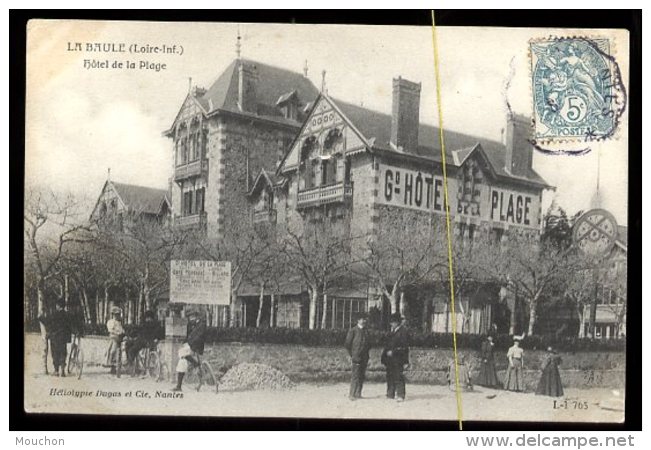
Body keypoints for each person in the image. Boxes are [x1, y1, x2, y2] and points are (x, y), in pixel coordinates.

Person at [173, 310, 207, 392]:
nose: (191, 318)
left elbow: (199, 337)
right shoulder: (192, 324)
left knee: (181, 353)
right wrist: (184, 342)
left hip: (197, 346)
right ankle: (179, 386)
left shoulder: (202, 325)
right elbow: (188, 336)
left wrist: (189, 343)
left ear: (197, 316)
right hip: (191, 345)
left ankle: (195, 364)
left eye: (192, 317)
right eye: (190, 317)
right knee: (182, 359)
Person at [38, 299, 72, 377]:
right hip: (64, 337)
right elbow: (70, 325)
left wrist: (40, 317)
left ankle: (56, 371)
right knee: (63, 352)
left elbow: (48, 322)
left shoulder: (55, 315)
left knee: (55, 353)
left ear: (58, 306)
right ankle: (63, 370)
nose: (56, 306)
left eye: (57, 305)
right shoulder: (67, 315)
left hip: (55, 337)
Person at [381, 313, 410, 402]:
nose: (391, 324)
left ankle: (400, 394)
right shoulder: (392, 332)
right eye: (391, 322)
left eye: (393, 322)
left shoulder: (403, 332)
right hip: (390, 359)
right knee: (390, 375)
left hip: (398, 359)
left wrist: (393, 352)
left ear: (398, 322)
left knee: (398, 376)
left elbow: (405, 347)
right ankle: (390, 393)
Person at [344, 315, 370, 400]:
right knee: (355, 375)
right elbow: (347, 344)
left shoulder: (366, 331)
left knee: (362, 375)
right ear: (358, 320)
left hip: (364, 356)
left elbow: (369, 344)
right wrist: (351, 355)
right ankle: (352, 394)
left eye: (364, 319)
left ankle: (358, 393)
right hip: (356, 356)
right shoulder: (353, 331)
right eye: (362, 319)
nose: (364, 321)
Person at [105, 306, 125, 374]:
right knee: (113, 349)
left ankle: (122, 363)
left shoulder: (119, 323)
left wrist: (123, 332)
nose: (117, 316)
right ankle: (111, 364)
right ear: (113, 315)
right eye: (116, 314)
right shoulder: (110, 322)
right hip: (113, 337)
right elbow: (110, 330)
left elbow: (122, 330)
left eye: (118, 314)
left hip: (120, 338)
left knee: (122, 348)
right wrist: (116, 332)